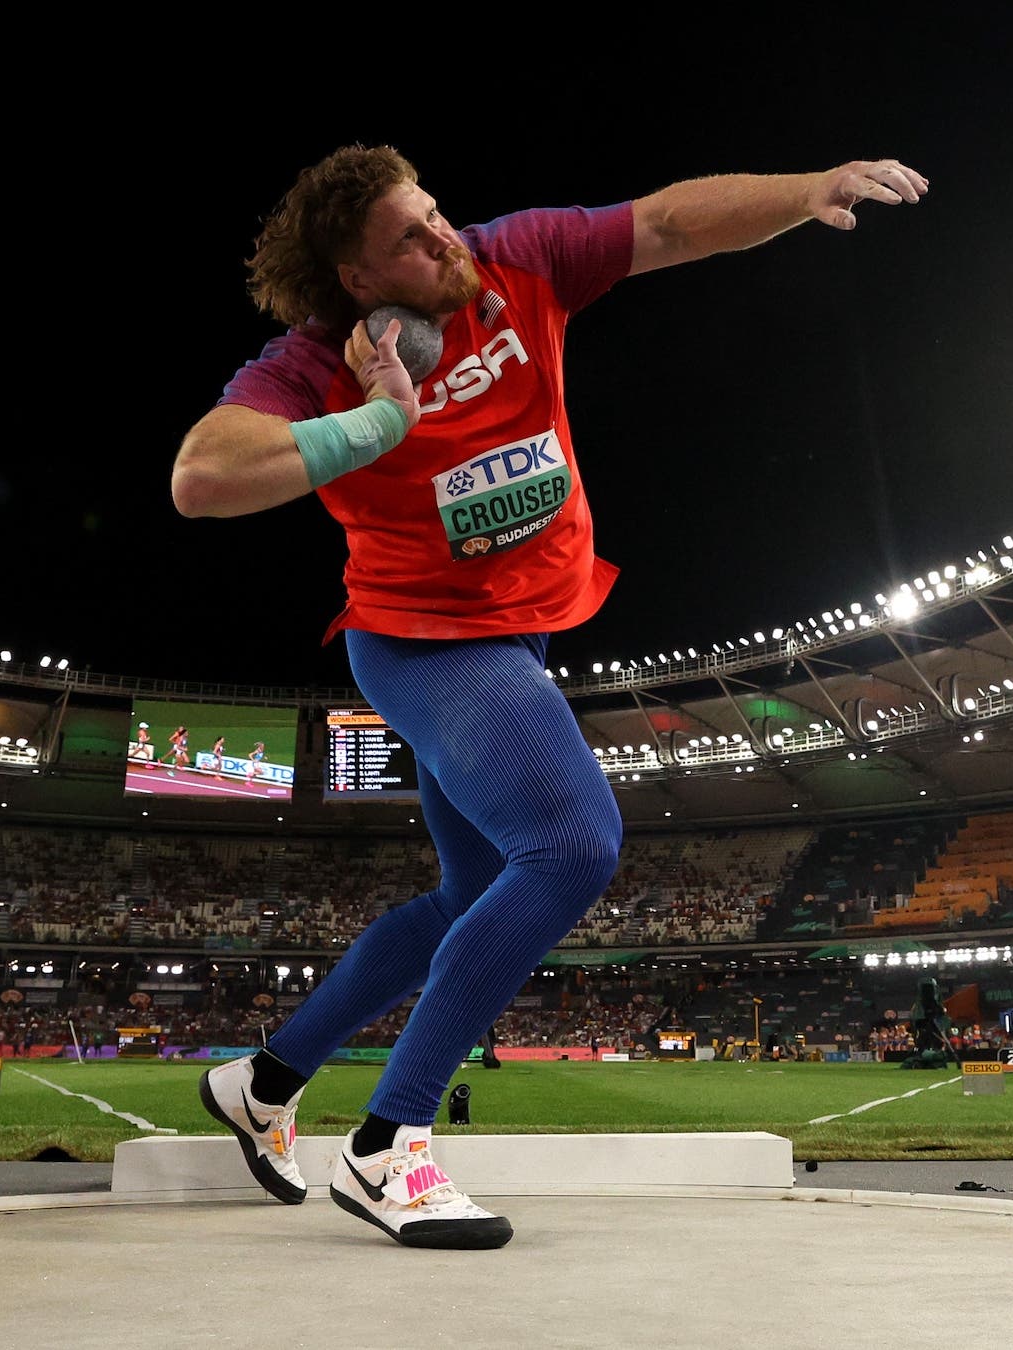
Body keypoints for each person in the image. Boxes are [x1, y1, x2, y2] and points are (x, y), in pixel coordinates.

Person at [182, 143, 926, 1250]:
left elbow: (666, 222)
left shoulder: (518, 258)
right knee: (573, 845)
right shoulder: (315, 364)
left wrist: (803, 193)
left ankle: (265, 1081)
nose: (443, 238)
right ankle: (388, 1144)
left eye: (434, 212)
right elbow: (203, 476)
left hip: (517, 633)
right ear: (356, 279)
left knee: (468, 897)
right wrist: (376, 424)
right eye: (409, 240)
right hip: (426, 645)